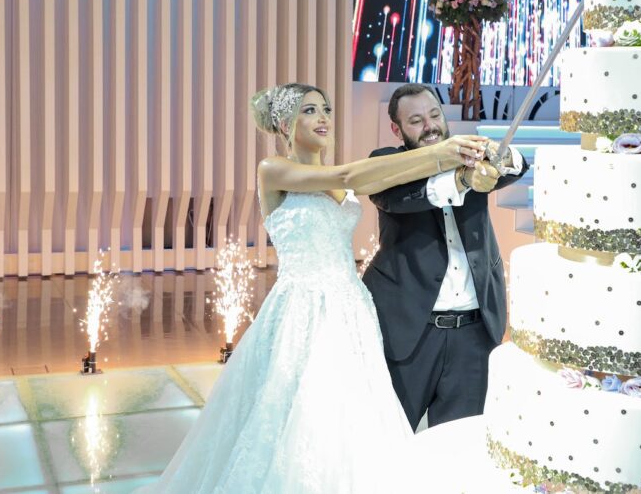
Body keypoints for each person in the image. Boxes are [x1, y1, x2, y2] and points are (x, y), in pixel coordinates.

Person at [140, 82, 490, 493]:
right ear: (286, 125)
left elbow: (369, 176)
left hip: (352, 308)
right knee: (301, 419)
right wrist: (439, 152)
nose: (323, 117)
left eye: (325, 109)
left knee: (352, 419)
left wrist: (449, 160)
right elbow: (348, 175)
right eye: (310, 110)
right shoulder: (274, 170)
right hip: (302, 310)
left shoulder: (340, 174)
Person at [362, 84, 528, 430]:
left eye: (435, 115)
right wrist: (463, 178)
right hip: (409, 332)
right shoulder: (384, 164)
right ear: (398, 129)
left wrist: (500, 159)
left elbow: (515, 166)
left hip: (474, 332)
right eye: (417, 121)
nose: (431, 126)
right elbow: (401, 196)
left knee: (460, 444)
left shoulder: (470, 152)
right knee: (387, 437)